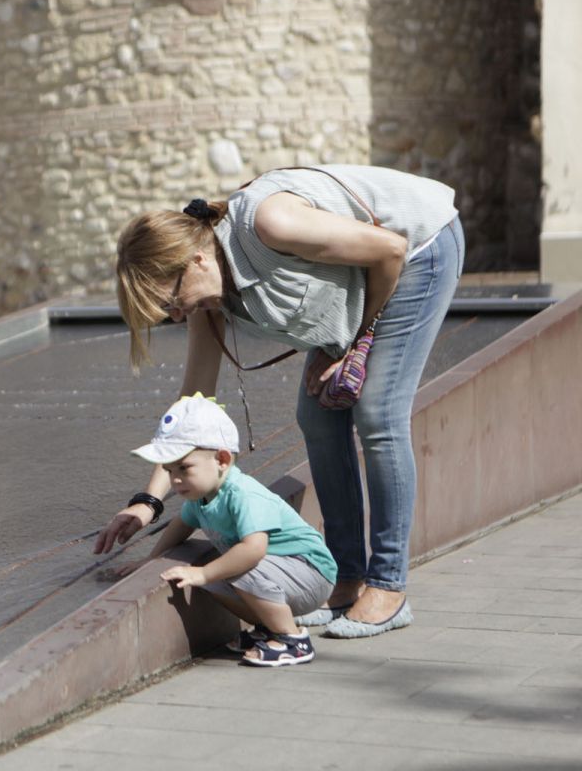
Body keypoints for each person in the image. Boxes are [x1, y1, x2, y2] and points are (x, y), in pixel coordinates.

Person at [94, 165, 464, 638]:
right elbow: (193, 406)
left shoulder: (270, 225)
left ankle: (389, 587)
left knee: (377, 412)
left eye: (171, 302)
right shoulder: (207, 300)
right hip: (362, 277)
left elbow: (390, 250)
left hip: (419, 250)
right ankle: (346, 578)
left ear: (197, 262)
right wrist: (147, 502)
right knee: (316, 415)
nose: (177, 314)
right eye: (168, 314)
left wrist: (354, 347)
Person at [122, 393, 336, 666]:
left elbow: (254, 549)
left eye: (184, 468)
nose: (175, 479)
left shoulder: (242, 494)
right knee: (216, 576)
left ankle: (292, 640)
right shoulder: (201, 496)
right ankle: (267, 628)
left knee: (237, 565)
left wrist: (202, 572)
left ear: (222, 460)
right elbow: (182, 525)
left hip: (312, 573)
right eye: (169, 469)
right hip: (281, 572)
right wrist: (150, 561)